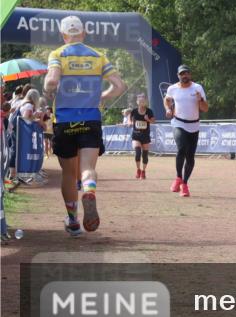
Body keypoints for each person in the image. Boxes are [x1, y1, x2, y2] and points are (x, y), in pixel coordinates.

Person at [43, 15, 126, 237]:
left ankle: (72, 221)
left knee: (69, 174)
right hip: (91, 119)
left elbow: (51, 80)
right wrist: (104, 96)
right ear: (84, 33)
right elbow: (119, 86)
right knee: (88, 168)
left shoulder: (58, 54)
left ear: (63, 35)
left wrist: (49, 90)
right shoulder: (98, 56)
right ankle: (89, 191)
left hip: (64, 120)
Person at [164, 64, 208, 197]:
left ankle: (184, 183)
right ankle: (178, 178)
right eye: (182, 74)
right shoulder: (173, 88)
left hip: (194, 125)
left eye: (187, 73)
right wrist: (167, 109)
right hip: (178, 123)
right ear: (178, 76)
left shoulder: (197, 88)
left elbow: (205, 109)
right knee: (182, 148)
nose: (185, 76)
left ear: (190, 75)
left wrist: (200, 99)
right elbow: (167, 99)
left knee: (190, 157)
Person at [130, 93, 155, 179]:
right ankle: (138, 169)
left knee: (145, 155)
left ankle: (143, 171)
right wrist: (129, 123)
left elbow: (153, 121)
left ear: (145, 102)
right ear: (137, 102)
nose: (141, 102)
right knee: (137, 153)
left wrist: (148, 119)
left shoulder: (149, 111)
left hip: (145, 135)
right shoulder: (134, 111)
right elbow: (131, 120)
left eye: (143, 101)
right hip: (136, 134)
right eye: (140, 101)